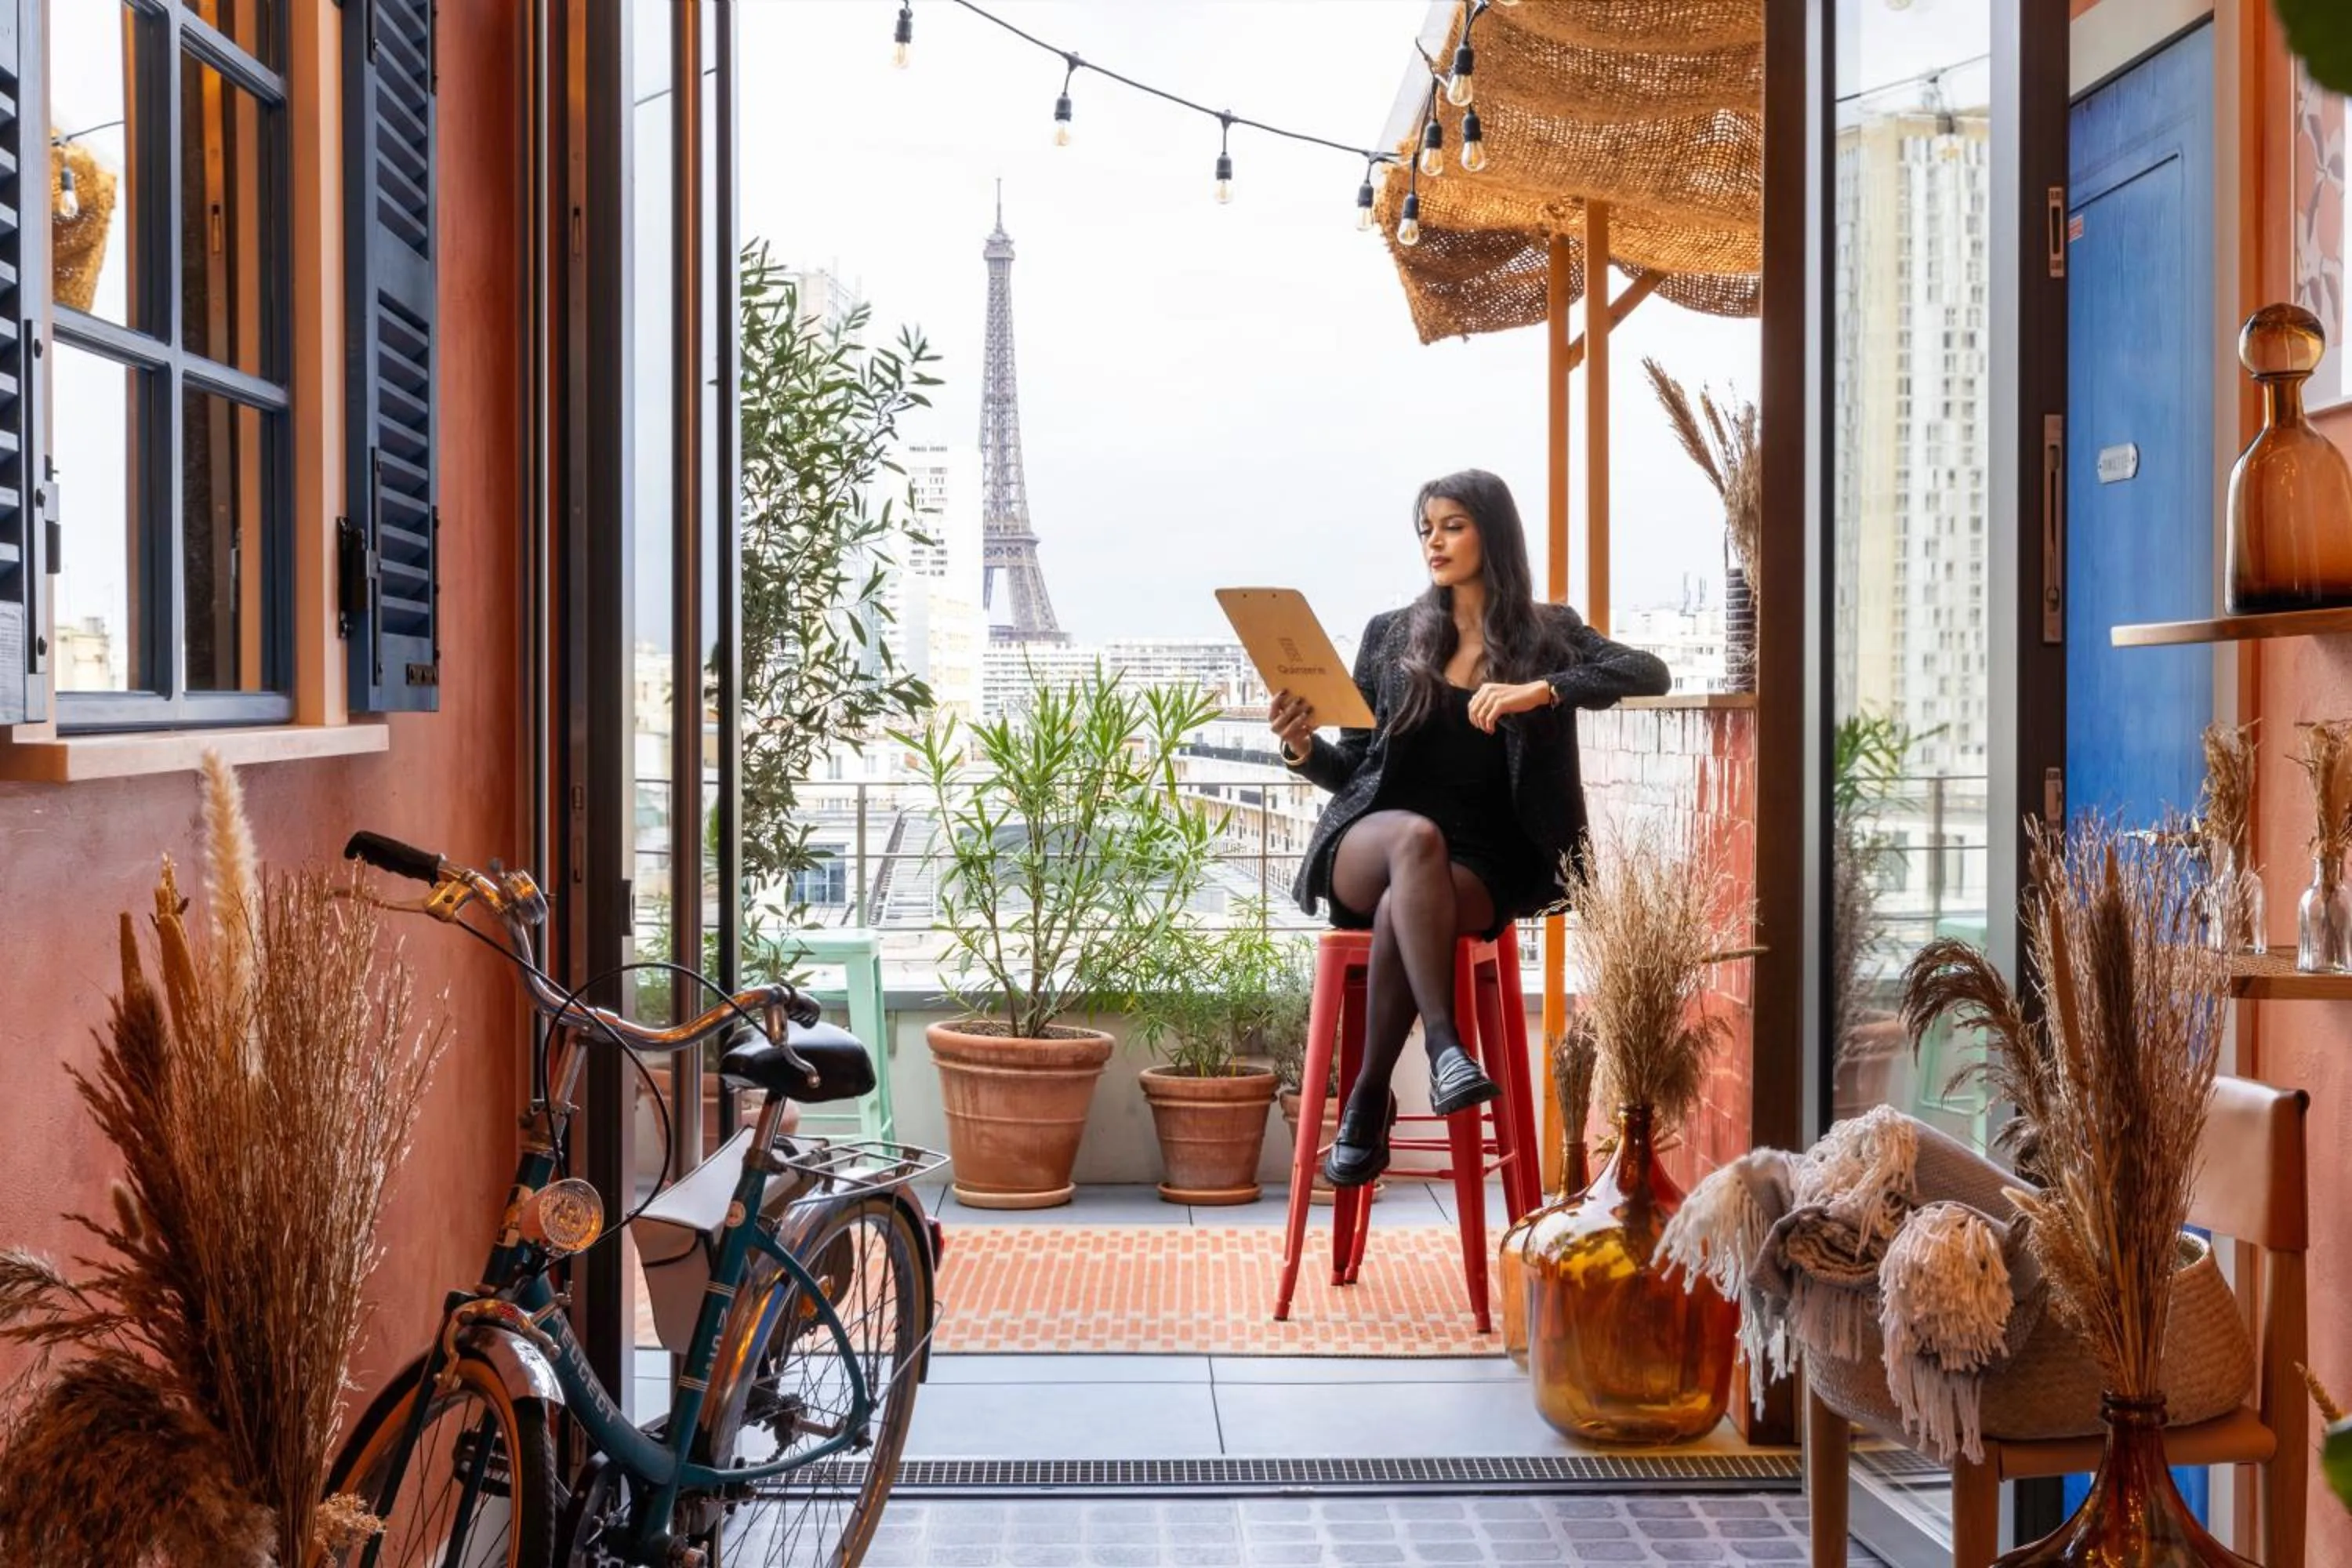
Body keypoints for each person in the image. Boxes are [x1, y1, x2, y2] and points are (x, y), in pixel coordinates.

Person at [1269, 470, 1671, 1187]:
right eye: (1426, 528)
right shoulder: (1391, 636)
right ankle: (1447, 1047)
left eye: (1452, 525)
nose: (1435, 541)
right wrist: (1302, 748)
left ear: (1493, 531)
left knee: (1407, 900)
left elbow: (1648, 672)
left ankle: (1365, 1099)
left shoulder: (1548, 635)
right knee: (1413, 840)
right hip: (1375, 838)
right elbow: (1354, 768)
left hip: (1483, 864)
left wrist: (1541, 690)